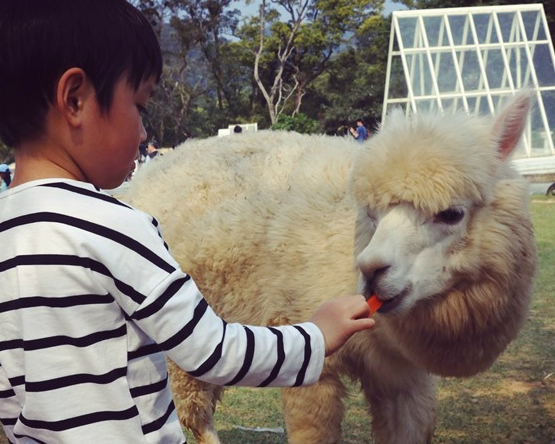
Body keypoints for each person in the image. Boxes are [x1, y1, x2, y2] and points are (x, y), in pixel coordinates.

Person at [0, 2, 375, 443]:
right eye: (140, 106)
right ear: (76, 99)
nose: (143, 134)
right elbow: (211, 350)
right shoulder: (116, 228)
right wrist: (316, 335)